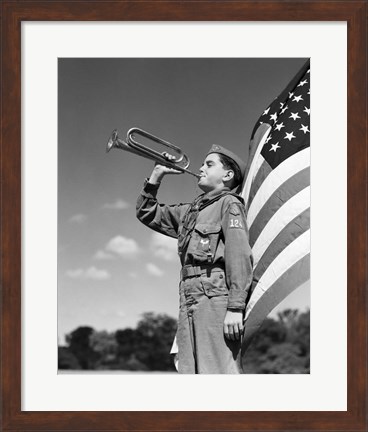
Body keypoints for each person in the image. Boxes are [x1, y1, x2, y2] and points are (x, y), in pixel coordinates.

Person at [136, 145, 253, 373]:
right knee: (189, 371)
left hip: (215, 294)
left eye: (209, 164)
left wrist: (235, 307)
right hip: (188, 294)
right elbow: (146, 212)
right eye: (202, 164)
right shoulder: (190, 211)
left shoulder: (230, 204)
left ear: (228, 175)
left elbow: (238, 254)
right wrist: (157, 174)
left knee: (216, 370)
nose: (201, 168)